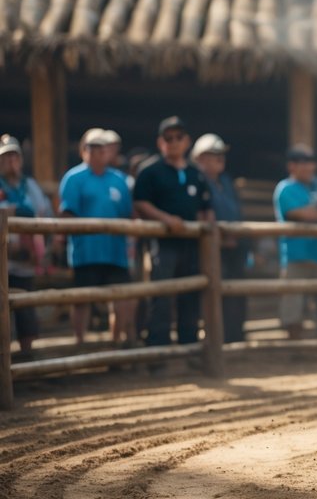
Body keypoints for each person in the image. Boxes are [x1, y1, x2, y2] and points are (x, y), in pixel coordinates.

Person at [133, 116, 213, 353]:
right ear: (160, 142)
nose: (174, 142)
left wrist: (205, 227)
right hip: (163, 242)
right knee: (163, 295)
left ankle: (189, 347)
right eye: (169, 138)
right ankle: (158, 348)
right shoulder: (150, 171)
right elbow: (140, 202)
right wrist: (166, 220)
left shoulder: (195, 173)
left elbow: (205, 206)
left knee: (190, 295)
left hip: (191, 243)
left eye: (179, 137)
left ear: (187, 141)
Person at [58, 128, 136, 346]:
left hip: (115, 252)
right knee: (83, 299)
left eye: (102, 148)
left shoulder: (119, 180)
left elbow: (128, 213)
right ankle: (80, 344)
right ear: (84, 150)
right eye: (92, 148)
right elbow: (67, 213)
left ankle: (116, 343)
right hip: (86, 252)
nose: (98, 152)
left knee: (121, 298)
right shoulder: (74, 178)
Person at [191, 133, 249, 344]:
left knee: (235, 293)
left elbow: (236, 212)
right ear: (200, 158)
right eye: (214, 154)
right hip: (208, 249)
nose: (220, 159)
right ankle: (214, 338)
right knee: (211, 294)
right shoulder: (195, 181)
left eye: (221, 155)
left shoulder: (226, 181)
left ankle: (234, 335)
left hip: (233, 248)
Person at [1, 134, 54, 358]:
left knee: (26, 309)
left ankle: (26, 357)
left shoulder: (30, 185)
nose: (11, 160)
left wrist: (45, 247)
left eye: (15, 155)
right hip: (3, 259)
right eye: (6, 156)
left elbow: (45, 214)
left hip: (27, 260)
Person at [273, 144, 317, 340]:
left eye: (311, 162)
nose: (309, 167)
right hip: (295, 255)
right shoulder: (285, 188)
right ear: (292, 166)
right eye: (304, 163)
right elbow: (308, 214)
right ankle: (295, 348)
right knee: (293, 305)